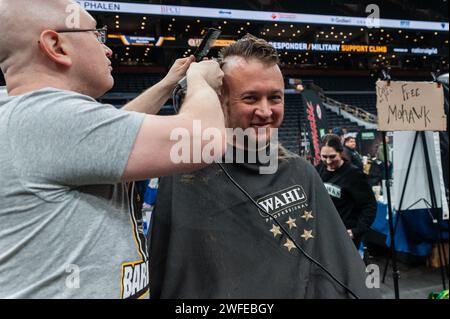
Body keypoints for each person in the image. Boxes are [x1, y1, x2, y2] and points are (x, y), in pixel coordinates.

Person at [0, 0, 226, 298]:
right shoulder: (46, 118)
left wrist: (168, 84)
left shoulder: (24, 112)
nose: (108, 49)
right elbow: (203, 140)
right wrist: (202, 82)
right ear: (56, 45)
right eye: (96, 35)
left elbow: (108, 140)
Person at [149, 35, 380, 299]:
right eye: (250, 98)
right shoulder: (186, 176)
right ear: (220, 100)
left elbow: (339, 268)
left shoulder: (301, 172)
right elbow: (174, 277)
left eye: (275, 98)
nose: (265, 111)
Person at [316, 134, 377, 249]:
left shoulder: (353, 174)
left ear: (340, 152)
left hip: (346, 235)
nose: (328, 161)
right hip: (325, 233)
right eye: (324, 156)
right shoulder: (319, 169)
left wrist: (356, 231)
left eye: (332, 156)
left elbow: (369, 205)